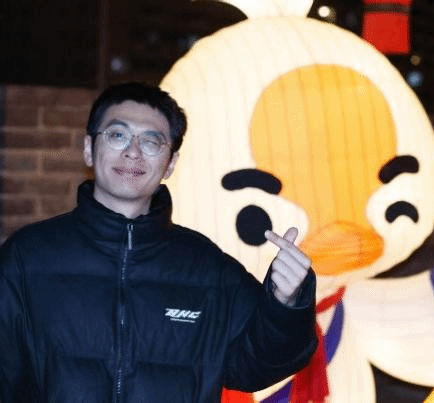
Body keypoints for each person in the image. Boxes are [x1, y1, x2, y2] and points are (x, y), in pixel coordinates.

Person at [0, 83, 318, 402]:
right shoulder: (26, 259)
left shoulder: (210, 270)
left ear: (171, 163)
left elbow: (256, 367)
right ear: (88, 148)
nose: (133, 152)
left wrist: (286, 303)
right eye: (117, 135)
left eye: (151, 141)